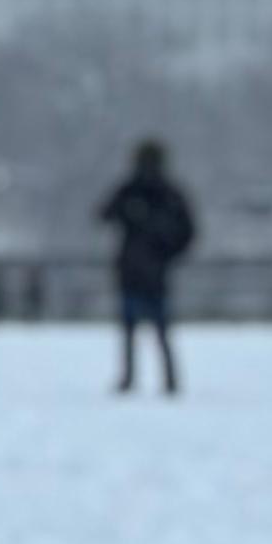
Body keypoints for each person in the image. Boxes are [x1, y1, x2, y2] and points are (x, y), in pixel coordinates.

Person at [97, 136, 197, 395]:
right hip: (148, 270)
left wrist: (165, 247)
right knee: (155, 329)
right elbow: (104, 214)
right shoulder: (162, 193)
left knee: (141, 329)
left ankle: (141, 379)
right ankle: (162, 379)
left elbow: (103, 214)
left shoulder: (141, 191)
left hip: (140, 269)